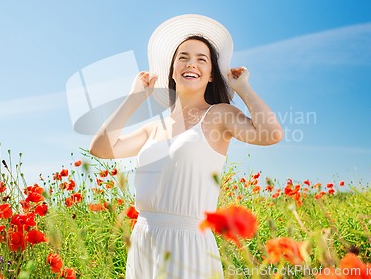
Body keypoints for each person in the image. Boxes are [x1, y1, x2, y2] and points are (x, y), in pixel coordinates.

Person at [89, 14, 283, 278]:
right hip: (144, 238)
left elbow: (271, 134)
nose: (191, 63)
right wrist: (134, 99)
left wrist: (243, 88)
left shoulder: (219, 115)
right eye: (183, 57)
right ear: (172, 69)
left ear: (212, 74)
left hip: (187, 243)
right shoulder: (154, 127)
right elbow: (100, 148)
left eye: (202, 59)